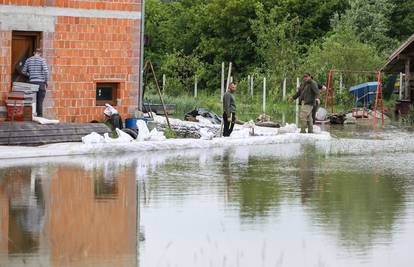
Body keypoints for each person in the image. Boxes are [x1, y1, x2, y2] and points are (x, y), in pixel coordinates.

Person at [22, 48, 49, 117]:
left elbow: (23, 71)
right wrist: (46, 81)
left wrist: (30, 75)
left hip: (32, 83)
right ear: (40, 53)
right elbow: (46, 71)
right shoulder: (42, 60)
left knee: (31, 101)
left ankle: (30, 116)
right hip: (40, 83)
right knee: (39, 102)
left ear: (34, 52)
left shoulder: (28, 60)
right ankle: (39, 117)